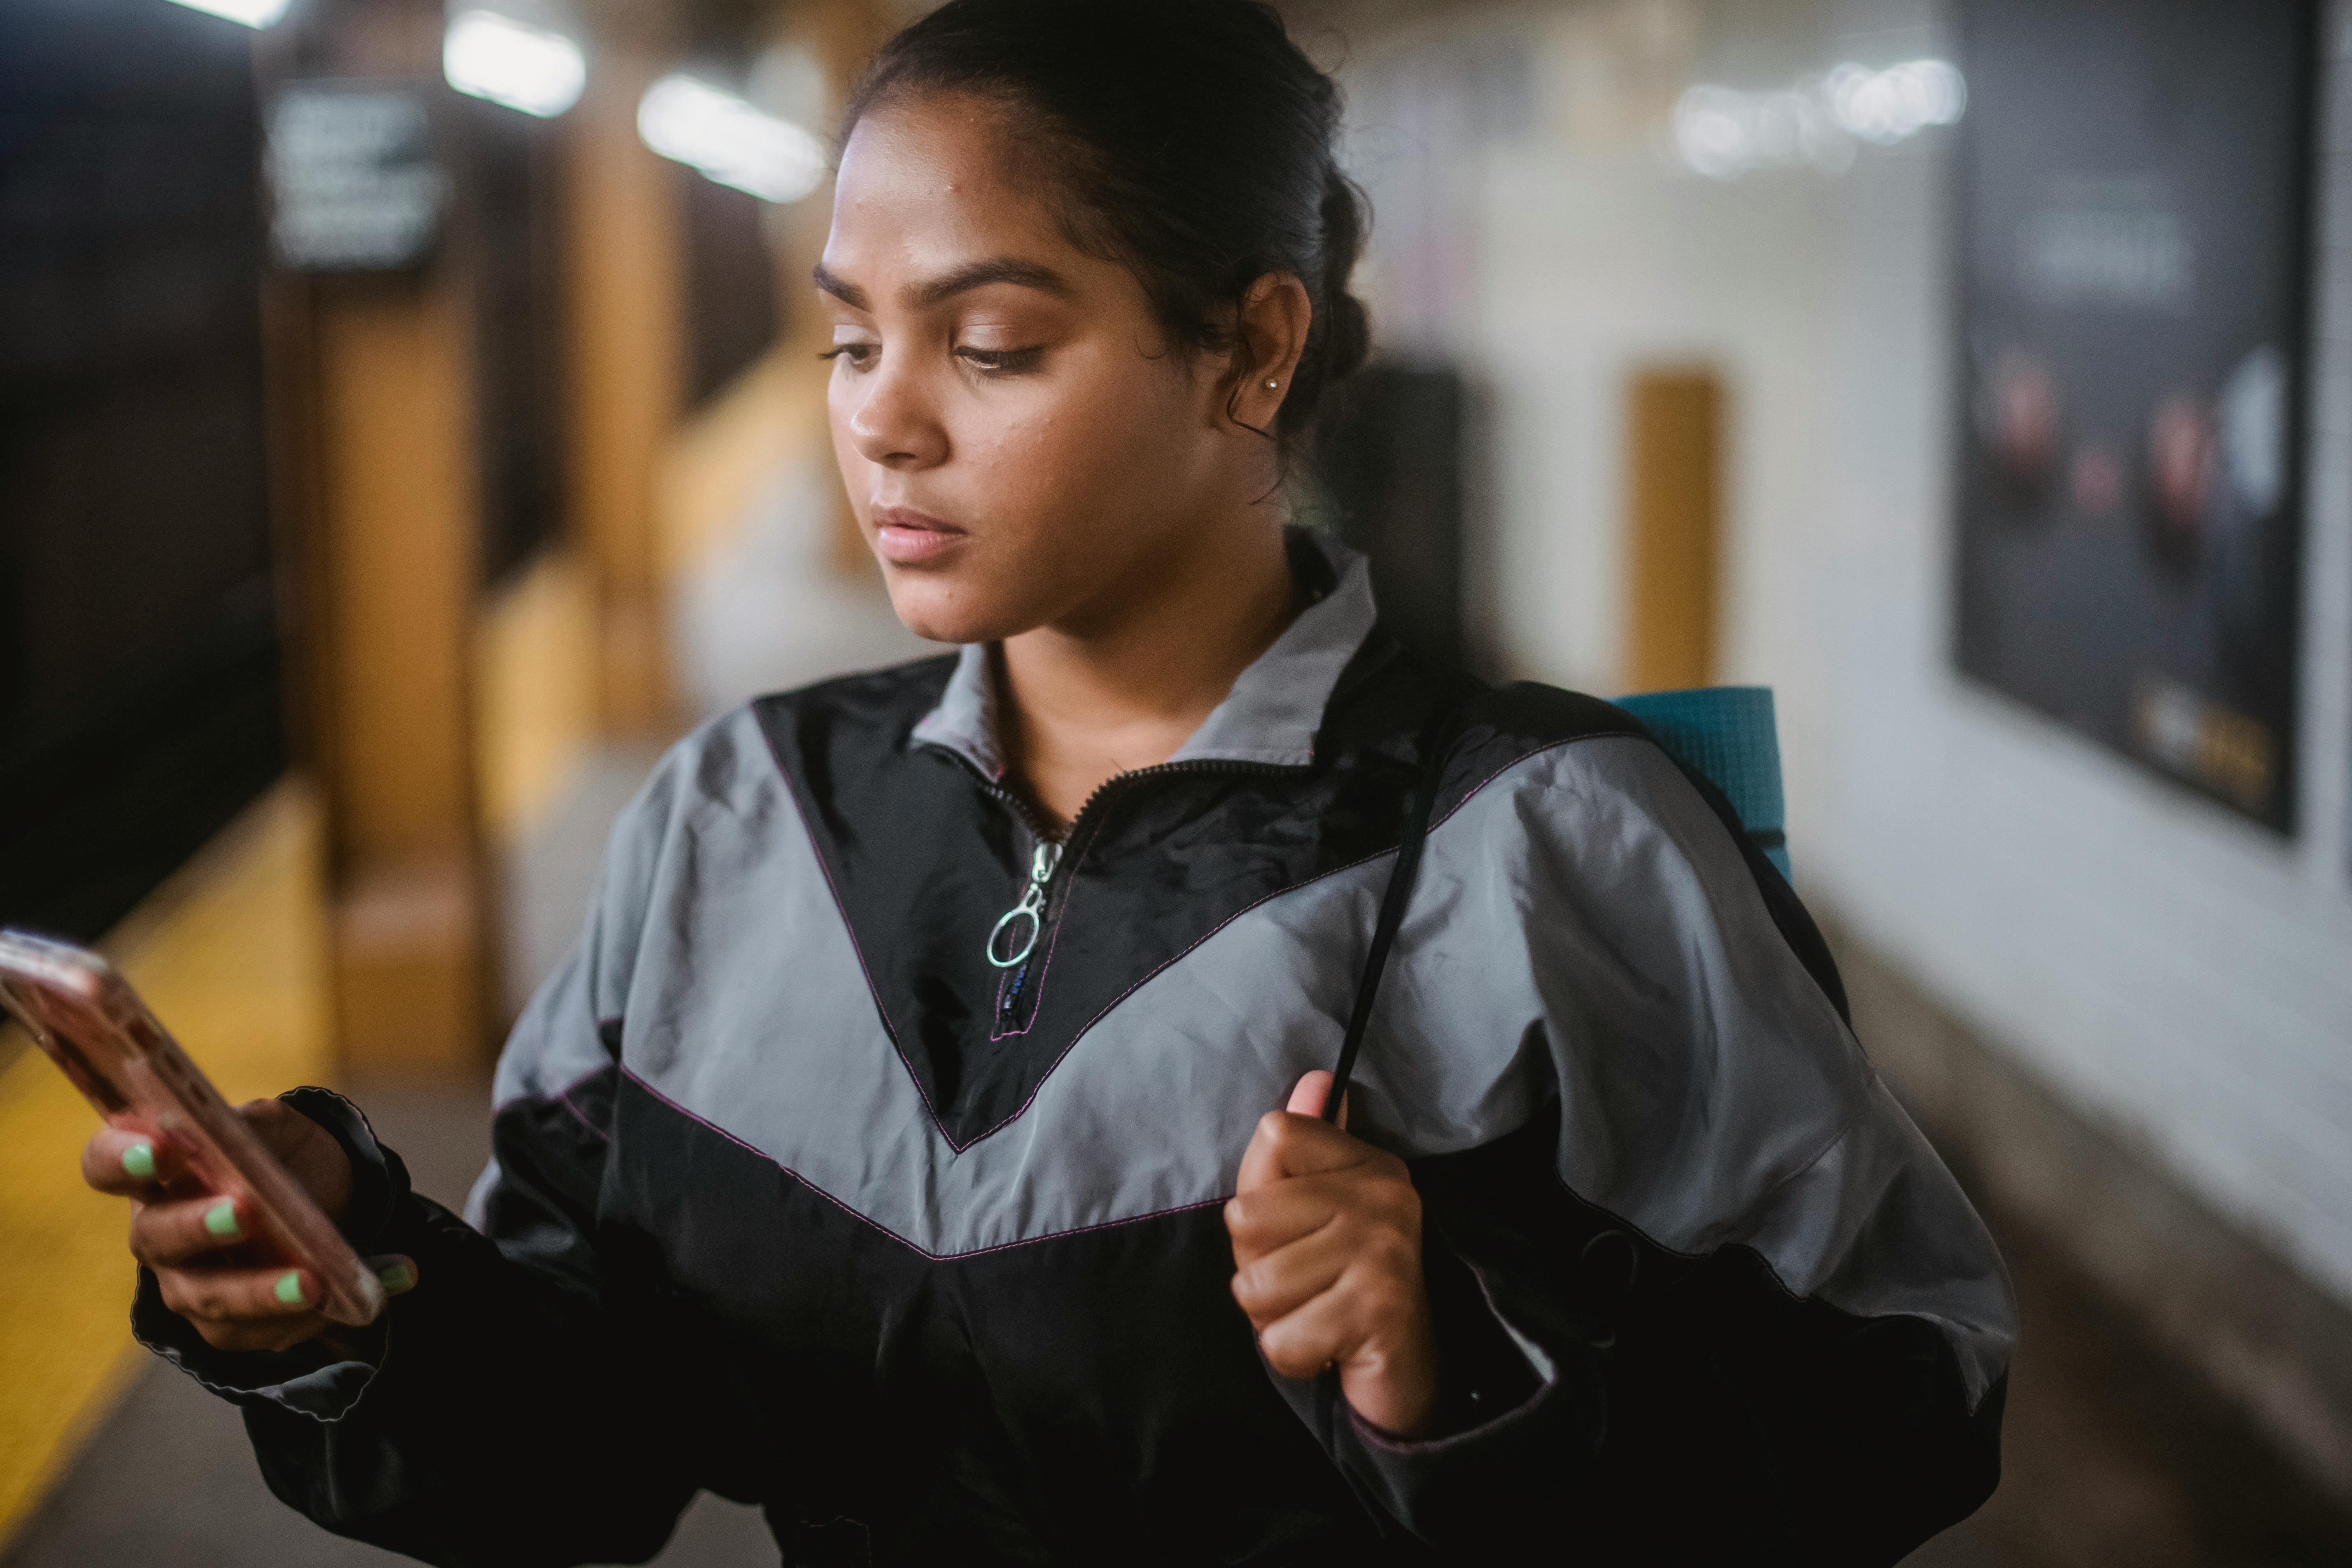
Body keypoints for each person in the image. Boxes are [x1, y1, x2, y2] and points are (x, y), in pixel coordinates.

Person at [78, 1, 2014, 1561]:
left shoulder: (1548, 840)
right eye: (847, 337)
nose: (882, 420)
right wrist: (357, 1296)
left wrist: (1469, 1361)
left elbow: (1907, 1392)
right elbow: (583, 1463)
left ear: (1251, 347)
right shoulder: (743, 818)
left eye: (990, 343)